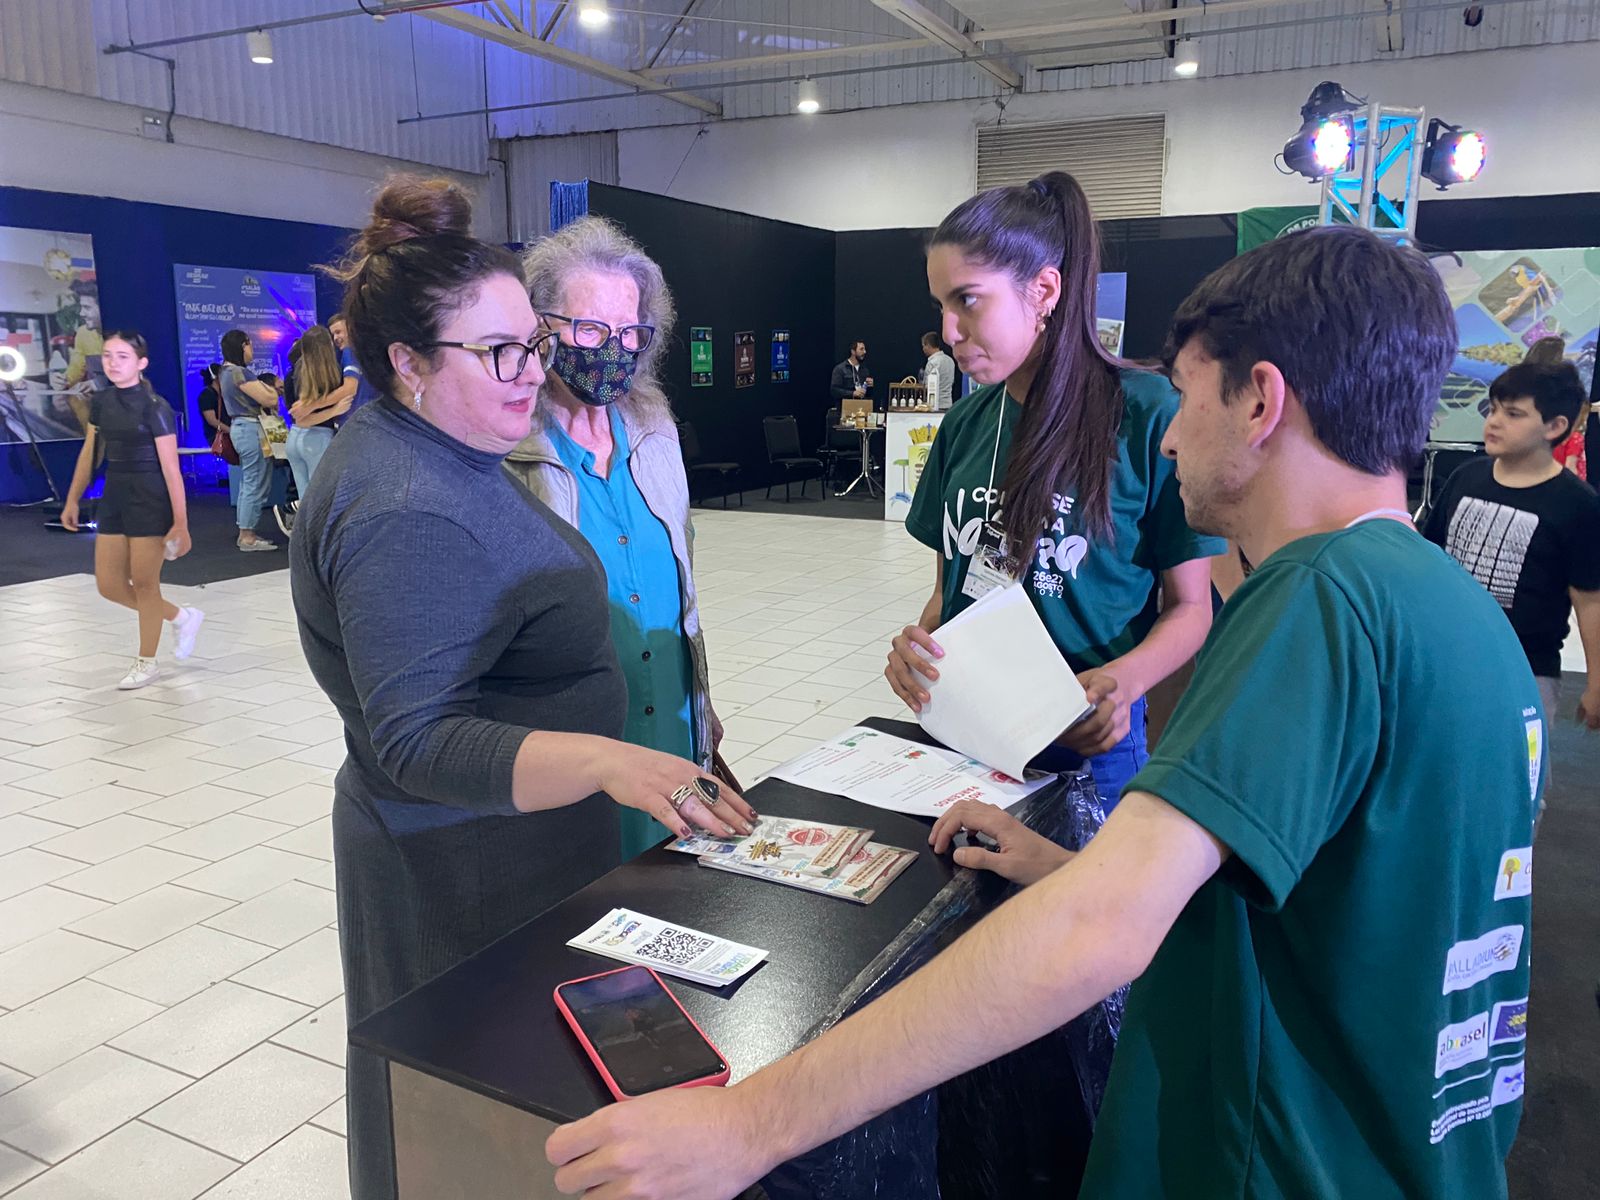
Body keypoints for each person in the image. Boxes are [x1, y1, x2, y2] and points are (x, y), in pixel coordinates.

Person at [546, 226, 1543, 1200]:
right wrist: (1063, 868)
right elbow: (1335, 915)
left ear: (1260, 401)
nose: (1168, 430)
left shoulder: (1315, 597)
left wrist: (744, 1125)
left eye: (1189, 398)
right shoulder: (1450, 611)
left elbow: (1097, 933)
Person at [289, 175, 756, 1200]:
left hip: (520, 852)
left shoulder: (449, 451)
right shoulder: (404, 504)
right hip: (457, 868)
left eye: (529, 350)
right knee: (468, 1127)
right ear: (405, 363)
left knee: (525, 1120)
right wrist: (604, 756)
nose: (526, 375)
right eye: (501, 353)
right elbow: (415, 741)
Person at [889, 173, 1222, 812]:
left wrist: (1124, 681)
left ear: (1043, 290)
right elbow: (947, 589)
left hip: (1088, 744)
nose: (950, 331)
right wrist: (916, 648)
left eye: (967, 300)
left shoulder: (1147, 415)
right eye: (940, 306)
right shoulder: (965, 424)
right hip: (966, 735)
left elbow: (1190, 609)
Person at [505, 215, 725, 862]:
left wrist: (702, 704)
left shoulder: (654, 428)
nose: (614, 348)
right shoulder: (508, 449)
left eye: (631, 332)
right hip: (578, 751)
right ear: (540, 328)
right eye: (593, 329)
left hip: (675, 735)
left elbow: (680, 586)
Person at [1424, 359, 1600, 756]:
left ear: (1555, 427)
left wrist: (1596, 683)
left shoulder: (1577, 505)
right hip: (1448, 658)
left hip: (1526, 672)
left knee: (1519, 777)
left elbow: (1590, 599)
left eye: (1514, 413)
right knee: (1440, 765)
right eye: (1494, 409)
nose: (1495, 421)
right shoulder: (1466, 477)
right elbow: (1430, 562)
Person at [60, 331, 204, 689]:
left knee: (144, 584)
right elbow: (90, 453)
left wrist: (181, 523)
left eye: (122, 356)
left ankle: (147, 661)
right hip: (115, 494)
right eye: (108, 355)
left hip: (150, 497)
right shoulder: (101, 402)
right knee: (108, 585)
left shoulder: (155, 406)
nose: (112, 363)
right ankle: (181, 616)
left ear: (141, 363)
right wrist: (73, 498)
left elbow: (172, 469)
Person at [219, 328, 280, 551]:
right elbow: (269, 397)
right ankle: (247, 535)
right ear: (242, 346)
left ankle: (247, 531)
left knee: (250, 481)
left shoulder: (227, 373)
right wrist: (270, 391)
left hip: (244, 429)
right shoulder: (238, 373)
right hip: (251, 429)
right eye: (249, 344)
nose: (252, 349)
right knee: (255, 481)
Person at [283, 325, 350, 502]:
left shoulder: (293, 374)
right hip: (317, 440)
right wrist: (334, 410)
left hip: (294, 440)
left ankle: (303, 530)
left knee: (305, 499)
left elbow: (298, 419)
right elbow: (304, 420)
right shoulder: (331, 375)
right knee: (320, 501)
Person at [329, 311, 381, 414]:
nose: (335, 338)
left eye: (338, 332)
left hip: (357, 419)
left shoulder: (349, 351)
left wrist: (312, 405)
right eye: (333, 334)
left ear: (351, 330)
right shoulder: (368, 352)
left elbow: (349, 389)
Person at [920, 331, 956, 411]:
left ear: (928, 345)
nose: (923, 349)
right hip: (948, 404)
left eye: (923, 346)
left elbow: (927, 386)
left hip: (934, 406)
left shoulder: (932, 363)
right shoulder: (950, 360)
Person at [195, 362, 226, 439]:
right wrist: (230, 431)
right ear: (215, 377)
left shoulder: (224, 394)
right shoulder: (206, 395)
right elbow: (212, 420)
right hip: (217, 437)